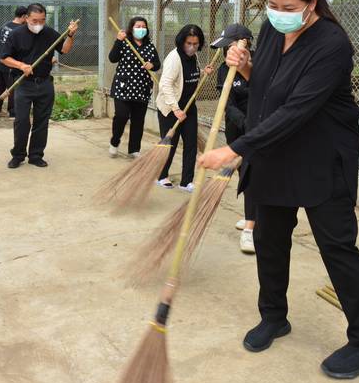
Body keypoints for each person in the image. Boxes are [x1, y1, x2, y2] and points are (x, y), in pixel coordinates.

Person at [198, 0, 359, 379]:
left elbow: (297, 109)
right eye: (272, 5)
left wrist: (235, 149)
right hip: (274, 155)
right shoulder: (271, 30)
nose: (277, 13)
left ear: (311, 2)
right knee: (269, 240)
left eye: (287, 6)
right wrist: (245, 65)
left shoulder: (332, 45)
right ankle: (274, 316)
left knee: (338, 249)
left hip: (320, 160)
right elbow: (265, 87)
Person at [1, 3, 77, 168]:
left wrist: (71, 35)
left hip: (44, 83)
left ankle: (36, 155)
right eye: (35, 21)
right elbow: (4, 57)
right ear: (26, 18)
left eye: (42, 20)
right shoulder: (16, 34)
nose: (38, 24)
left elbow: (64, 49)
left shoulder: (49, 33)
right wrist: (21, 65)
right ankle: (18, 155)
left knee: (42, 121)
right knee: (21, 121)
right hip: (23, 84)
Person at [214, 24, 256, 254]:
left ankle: (251, 228)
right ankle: (252, 215)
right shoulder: (224, 69)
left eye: (228, 47)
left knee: (253, 174)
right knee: (243, 173)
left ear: (244, 44)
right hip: (237, 128)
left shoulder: (260, 63)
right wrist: (244, 123)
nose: (225, 52)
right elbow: (227, 102)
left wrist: (254, 126)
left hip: (259, 129)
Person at [155, 24, 212, 192]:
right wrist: (175, 109)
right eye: (189, 43)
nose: (192, 47)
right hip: (170, 108)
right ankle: (161, 176)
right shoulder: (174, 58)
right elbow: (165, 84)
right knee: (170, 144)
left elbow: (188, 75)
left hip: (189, 107)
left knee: (191, 144)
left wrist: (203, 72)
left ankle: (186, 181)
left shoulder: (193, 57)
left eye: (195, 44)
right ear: (182, 42)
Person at [108, 16, 160, 158]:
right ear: (131, 29)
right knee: (121, 116)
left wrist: (151, 65)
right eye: (138, 27)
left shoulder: (150, 46)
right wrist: (118, 40)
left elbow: (157, 64)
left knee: (138, 120)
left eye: (143, 27)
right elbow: (112, 58)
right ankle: (114, 141)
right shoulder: (125, 42)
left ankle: (134, 149)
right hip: (123, 87)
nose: (141, 29)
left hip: (142, 88)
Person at [0, 7, 28, 117]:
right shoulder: (20, 29)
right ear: (23, 16)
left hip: (0, 60)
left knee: (0, 86)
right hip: (10, 62)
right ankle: (12, 110)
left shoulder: (5, 25)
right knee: (13, 87)